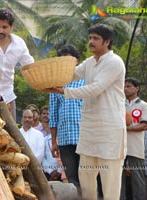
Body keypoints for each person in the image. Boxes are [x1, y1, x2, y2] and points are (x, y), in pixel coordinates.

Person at [49, 23, 126, 199]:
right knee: (85, 174)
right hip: (90, 128)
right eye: (90, 37)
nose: (91, 42)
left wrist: (64, 91)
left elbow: (96, 88)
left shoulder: (114, 62)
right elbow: (72, 74)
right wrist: (52, 81)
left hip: (109, 127)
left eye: (95, 38)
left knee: (110, 178)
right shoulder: (90, 62)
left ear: (107, 42)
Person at [49, 44, 85, 189]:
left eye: (69, 59)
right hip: (64, 140)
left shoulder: (86, 80)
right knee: (71, 179)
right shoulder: (55, 84)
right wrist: (54, 142)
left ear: (76, 60)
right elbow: (53, 114)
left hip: (85, 138)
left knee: (87, 177)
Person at [120, 77, 147, 200]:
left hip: (135, 147)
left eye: (128, 86)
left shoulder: (144, 105)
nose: (125, 88)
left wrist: (126, 129)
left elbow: (144, 125)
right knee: (118, 179)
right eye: (124, 86)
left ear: (137, 88)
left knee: (137, 179)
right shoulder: (120, 104)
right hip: (119, 146)